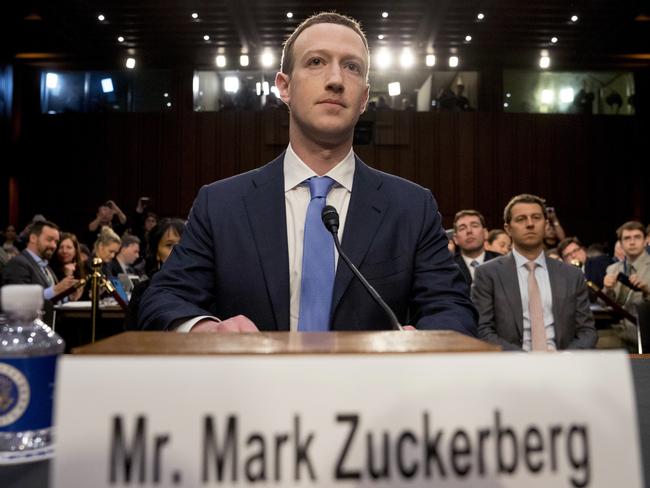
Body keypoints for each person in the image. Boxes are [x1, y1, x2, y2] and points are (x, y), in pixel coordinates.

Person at [138, 12, 477, 335]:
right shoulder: (222, 204)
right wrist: (205, 329)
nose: (335, 80)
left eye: (352, 67)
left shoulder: (411, 207)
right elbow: (162, 299)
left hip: (374, 391)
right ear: (284, 87)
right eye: (316, 62)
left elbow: (452, 307)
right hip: (252, 390)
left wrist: (425, 340)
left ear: (364, 99)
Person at [472, 194, 597, 351]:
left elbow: (587, 332)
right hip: (510, 367)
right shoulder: (487, 274)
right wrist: (524, 361)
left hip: (563, 365)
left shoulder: (571, 275)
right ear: (508, 228)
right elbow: (482, 330)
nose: (530, 224)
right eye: (521, 219)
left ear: (545, 224)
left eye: (536, 217)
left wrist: (565, 359)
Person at [1, 221, 78, 324]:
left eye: (56, 241)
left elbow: (51, 302)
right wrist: (55, 290)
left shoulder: (46, 267)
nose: (54, 245)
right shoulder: (18, 264)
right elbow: (20, 301)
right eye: (49, 240)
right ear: (33, 238)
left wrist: (68, 296)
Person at [124, 218, 185, 329]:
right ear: (156, 253)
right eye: (169, 245)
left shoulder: (205, 290)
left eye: (182, 245)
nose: (178, 251)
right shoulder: (142, 291)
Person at [603, 221, 650, 350]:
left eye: (637, 237)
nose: (632, 242)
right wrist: (607, 290)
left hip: (644, 331)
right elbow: (603, 304)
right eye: (627, 238)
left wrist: (647, 291)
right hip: (617, 331)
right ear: (621, 244)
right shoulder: (612, 269)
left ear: (646, 240)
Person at [452, 210, 500, 285]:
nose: (469, 231)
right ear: (455, 239)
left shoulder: (501, 262)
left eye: (474, 226)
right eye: (462, 228)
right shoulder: (448, 266)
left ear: (485, 233)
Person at [50, 232, 86, 301]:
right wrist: (68, 275)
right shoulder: (50, 269)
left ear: (75, 251)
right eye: (61, 247)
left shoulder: (83, 268)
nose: (64, 251)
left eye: (69, 247)